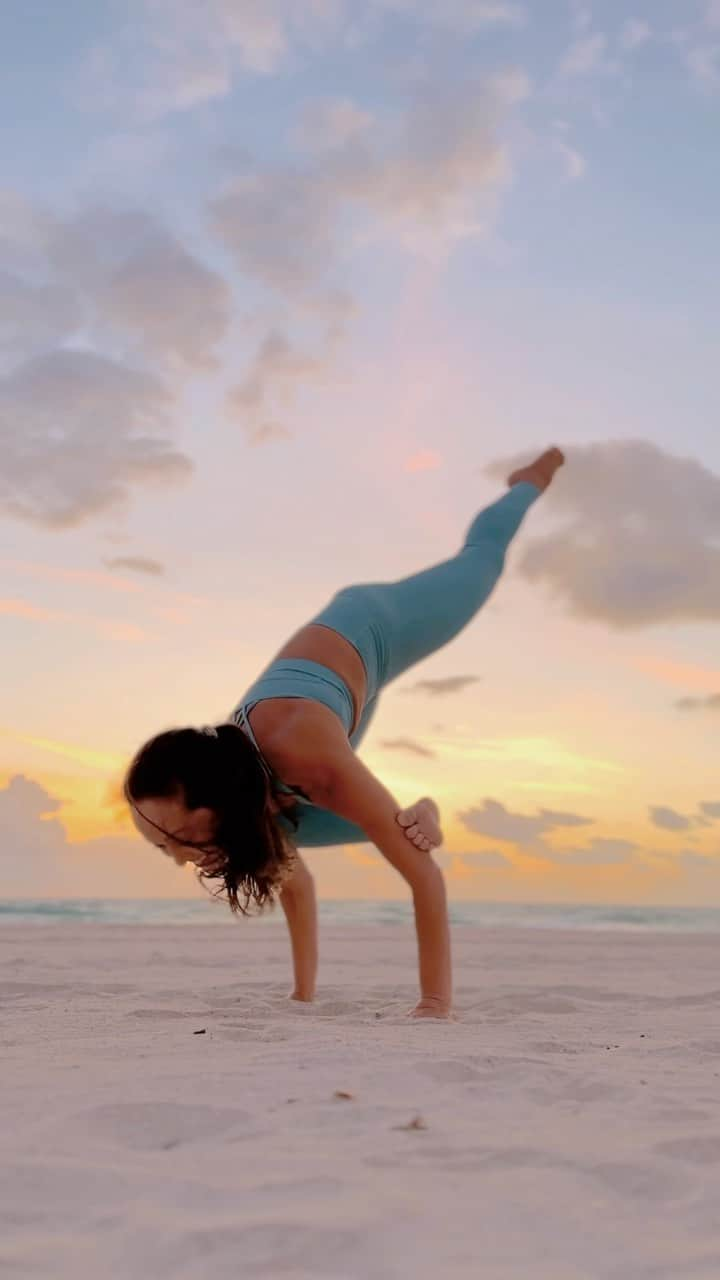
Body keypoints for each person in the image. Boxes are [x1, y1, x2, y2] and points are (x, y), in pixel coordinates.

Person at [125, 447, 565, 1019]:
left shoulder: (310, 759)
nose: (182, 860)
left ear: (217, 796)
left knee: (482, 559)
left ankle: (525, 485)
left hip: (378, 628)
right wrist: (302, 997)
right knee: (280, 839)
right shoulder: (251, 798)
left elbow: (425, 880)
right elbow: (297, 887)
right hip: (337, 715)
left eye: (177, 838)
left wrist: (434, 1004)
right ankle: (408, 814)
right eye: (163, 846)